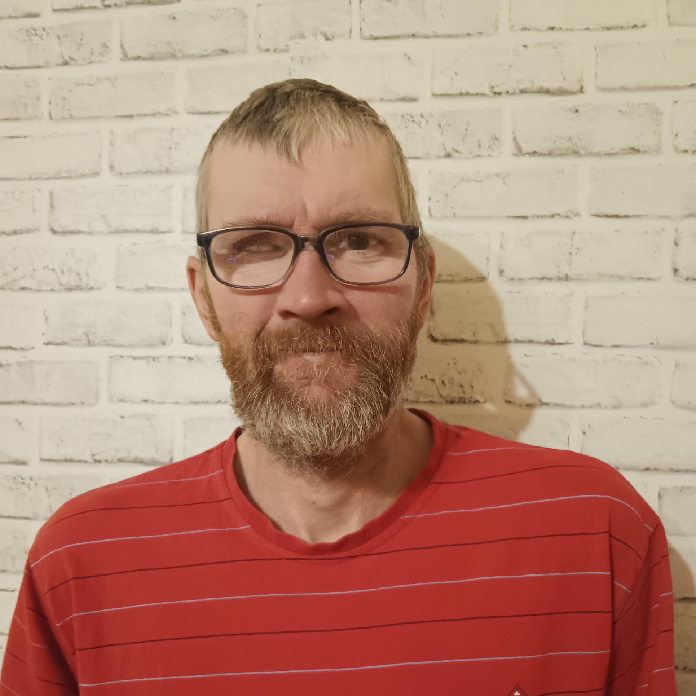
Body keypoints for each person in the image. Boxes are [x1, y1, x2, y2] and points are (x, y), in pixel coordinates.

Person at [1, 79, 677, 696]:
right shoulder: (81, 566)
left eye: (358, 240)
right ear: (202, 297)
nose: (308, 297)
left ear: (423, 286)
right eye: (254, 245)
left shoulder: (594, 533)